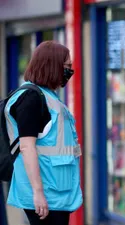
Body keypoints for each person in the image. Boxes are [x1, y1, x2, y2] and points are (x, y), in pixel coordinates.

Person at [4, 41, 82, 225]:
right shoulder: (30, 98)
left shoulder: (48, 96)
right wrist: (37, 193)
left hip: (56, 189)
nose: (70, 72)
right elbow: (27, 147)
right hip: (45, 194)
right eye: (67, 67)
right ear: (52, 66)